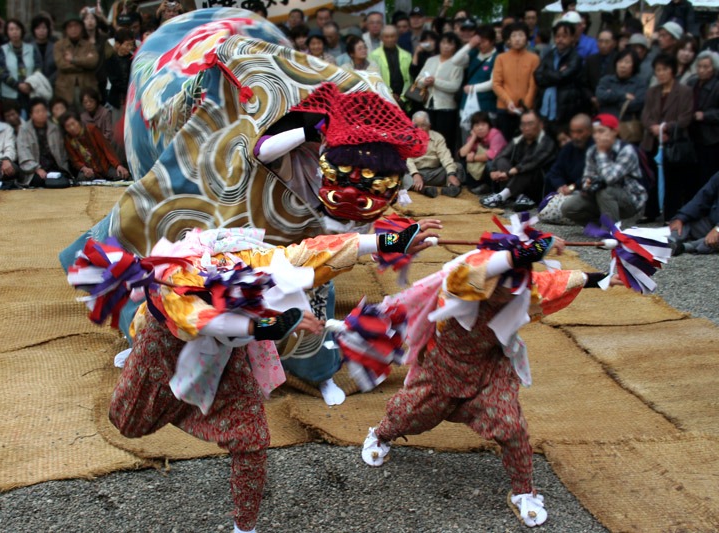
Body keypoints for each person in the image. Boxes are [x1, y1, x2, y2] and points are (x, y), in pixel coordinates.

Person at [103, 221, 439, 533]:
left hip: (225, 362)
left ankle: (244, 528)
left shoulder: (259, 262)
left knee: (251, 438)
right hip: (165, 358)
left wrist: (390, 241)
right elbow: (203, 322)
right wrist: (275, 325)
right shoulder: (178, 281)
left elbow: (319, 250)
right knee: (128, 422)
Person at [361, 226, 618, 529]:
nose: (505, 295)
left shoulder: (524, 288)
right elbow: (482, 269)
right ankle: (380, 434)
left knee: (512, 427)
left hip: (490, 371)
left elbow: (561, 281)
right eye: (499, 285)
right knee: (408, 415)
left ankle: (523, 490)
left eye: (514, 286)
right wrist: (533, 249)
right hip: (442, 371)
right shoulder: (462, 279)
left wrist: (603, 279)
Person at [560, 114, 648, 225]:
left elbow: (609, 179)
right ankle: (598, 226)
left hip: (630, 201)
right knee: (568, 207)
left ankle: (611, 230)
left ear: (614, 131)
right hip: (600, 196)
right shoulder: (592, 151)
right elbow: (587, 177)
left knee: (606, 191)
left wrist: (602, 153)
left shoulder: (626, 150)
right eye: (595, 132)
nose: (597, 136)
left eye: (601, 131)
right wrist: (588, 185)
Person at [641, 53, 694, 220]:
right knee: (652, 179)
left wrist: (666, 128)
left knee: (673, 181)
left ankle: (671, 215)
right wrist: (654, 128)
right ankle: (651, 212)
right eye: (658, 70)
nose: (661, 73)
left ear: (672, 71)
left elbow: (685, 117)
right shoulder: (652, 91)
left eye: (665, 69)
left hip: (673, 142)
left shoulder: (684, 91)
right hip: (653, 140)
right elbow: (646, 115)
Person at [481, 109, 556, 210]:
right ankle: (515, 196)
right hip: (516, 179)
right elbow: (501, 155)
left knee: (527, 169)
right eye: (523, 124)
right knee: (500, 161)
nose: (526, 128)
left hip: (537, 183)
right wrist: (493, 171)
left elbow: (533, 161)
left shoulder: (547, 141)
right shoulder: (519, 139)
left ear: (540, 125)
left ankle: (502, 196)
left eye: (530, 124)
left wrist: (509, 172)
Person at [534, 20, 587, 131]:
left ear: (572, 38)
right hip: (545, 108)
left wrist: (548, 73)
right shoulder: (550, 54)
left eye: (564, 36)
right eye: (557, 36)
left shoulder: (575, 57)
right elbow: (537, 76)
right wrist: (556, 73)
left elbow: (562, 77)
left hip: (565, 109)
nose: (560, 39)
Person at [415, 32, 463, 153]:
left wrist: (435, 82)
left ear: (455, 47)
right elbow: (418, 80)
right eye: (443, 43)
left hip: (446, 108)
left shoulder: (457, 63)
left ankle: (447, 167)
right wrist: (425, 81)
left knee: (445, 140)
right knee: (428, 138)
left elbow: (454, 86)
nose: (446, 46)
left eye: (450, 44)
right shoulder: (431, 60)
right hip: (429, 105)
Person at [492, 22, 539, 141]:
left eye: (521, 35)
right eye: (513, 36)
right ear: (508, 39)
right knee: (504, 142)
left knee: (525, 141)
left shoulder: (534, 58)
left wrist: (526, 106)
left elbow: (533, 85)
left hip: (526, 110)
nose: (517, 39)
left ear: (526, 38)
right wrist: (508, 102)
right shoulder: (501, 58)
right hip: (504, 108)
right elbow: (496, 83)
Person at [403, 110, 461, 198]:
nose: (420, 129)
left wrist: (451, 174)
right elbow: (408, 160)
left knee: (458, 167)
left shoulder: (437, 137)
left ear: (429, 126)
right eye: (416, 126)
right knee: (399, 175)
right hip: (415, 173)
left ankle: (448, 189)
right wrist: (415, 174)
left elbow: (445, 157)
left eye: (423, 125)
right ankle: (423, 190)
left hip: (434, 173)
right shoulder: (408, 137)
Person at [17, 98, 70, 188]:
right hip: (34, 169)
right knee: (39, 180)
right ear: (31, 115)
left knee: (62, 180)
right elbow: (24, 153)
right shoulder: (24, 130)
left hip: (55, 166)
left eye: (43, 110)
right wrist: (37, 169)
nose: (41, 114)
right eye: (37, 112)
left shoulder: (55, 128)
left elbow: (62, 152)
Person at [61, 111, 129, 182]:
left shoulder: (92, 129)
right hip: (90, 170)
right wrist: (84, 168)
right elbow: (75, 160)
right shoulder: (68, 140)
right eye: (68, 126)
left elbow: (106, 148)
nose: (72, 128)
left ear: (79, 121)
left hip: (105, 166)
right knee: (81, 178)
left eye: (73, 124)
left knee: (122, 175)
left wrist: (117, 165)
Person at [0, 19, 42, 116]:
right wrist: (18, 85)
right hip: (10, 94)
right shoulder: (2, 50)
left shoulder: (31, 48)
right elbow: (1, 71)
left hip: (30, 91)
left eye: (17, 29)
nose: (14, 32)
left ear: (22, 31)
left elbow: (38, 67)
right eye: (11, 29)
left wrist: (30, 84)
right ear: (7, 32)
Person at [53, 16, 99, 110]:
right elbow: (62, 65)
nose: (73, 29)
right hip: (65, 89)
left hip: (86, 86)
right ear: (66, 29)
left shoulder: (88, 45)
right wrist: (83, 64)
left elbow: (93, 62)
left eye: (76, 26)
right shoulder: (59, 45)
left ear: (81, 28)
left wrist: (73, 60)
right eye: (70, 26)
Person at [452, 25, 498, 117]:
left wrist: (473, 88)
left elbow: (493, 83)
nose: (480, 45)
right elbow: (455, 61)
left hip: (486, 105)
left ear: (492, 41)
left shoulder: (497, 57)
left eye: (484, 42)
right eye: (479, 42)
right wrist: (470, 45)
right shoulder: (474, 53)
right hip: (467, 105)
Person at [544, 113, 593, 198]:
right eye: (572, 132)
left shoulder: (596, 149)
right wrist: (560, 185)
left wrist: (572, 187)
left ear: (590, 131)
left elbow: (592, 175)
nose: (575, 136)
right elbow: (555, 171)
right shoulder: (568, 148)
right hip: (567, 189)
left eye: (579, 132)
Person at [669, 171, 719, 255]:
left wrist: (718, 229)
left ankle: (684, 247)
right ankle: (667, 241)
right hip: (711, 222)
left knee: (714, 239)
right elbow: (702, 197)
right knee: (685, 222)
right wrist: (681, 218)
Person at [688, 51, 719, 185]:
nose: (701, 70)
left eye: (706, 67)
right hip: (691, 135)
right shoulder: (692, 83)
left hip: (711, 137)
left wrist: (705, 115)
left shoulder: (717, 86)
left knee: (708, 175)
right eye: (699, 66)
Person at [458, 111, 507, 193]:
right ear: (472, 128)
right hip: (482, 168)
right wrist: (473, 137)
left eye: (483, 125)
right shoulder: (474, 137)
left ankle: (494, 190)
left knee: (490, 163)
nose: (480, 128)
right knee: (464, 161)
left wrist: (473, 158)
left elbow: (492, 155)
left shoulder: (495, 134)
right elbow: (461, 154)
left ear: (489, 126)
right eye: (477, 125)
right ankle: (477, 186)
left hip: (499, 166)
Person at [595, 48, 647, 123]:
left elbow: (637, 104)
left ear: (634, 65)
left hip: (626, 125)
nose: (622, 65)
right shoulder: (606, 80)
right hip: (604, 121)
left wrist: (610, 98)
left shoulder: (640, 83)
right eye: (620, 61)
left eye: (627, 62)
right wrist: (623, 96)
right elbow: (600, 96)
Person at [370, 25, 413, 104]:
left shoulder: (407, 56)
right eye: (386, 37)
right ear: (381, 38)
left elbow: (409, 80)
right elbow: (374, 79)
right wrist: (389, 94)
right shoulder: (373, 56)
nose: (389, 39)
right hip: (383, 100)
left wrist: (403, 97)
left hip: (404, 99)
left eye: (392, 36)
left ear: (397, 37)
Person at [583, 30, 618, 112]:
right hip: (591, 102)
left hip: (612, 102)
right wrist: (592, 97)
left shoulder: (618, 59)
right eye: (600, 41)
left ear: (613, 43)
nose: (603, 45)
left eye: (607, 42)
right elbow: (583, 82)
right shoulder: (590, 60)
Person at [30, 15, 57, 86]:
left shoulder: (55, 47)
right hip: (33, 85)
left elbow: (59, 67)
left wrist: (49, 81)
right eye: (38, 28)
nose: (41, 31)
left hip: (53, 84)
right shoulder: (28, 47)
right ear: (34, 30)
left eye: (44, 28)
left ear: (48, 30)